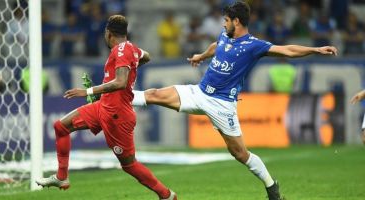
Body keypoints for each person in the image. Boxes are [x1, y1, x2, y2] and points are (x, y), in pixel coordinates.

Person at [132, 2, 337, 200]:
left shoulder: (254, 45)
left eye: (226, 20)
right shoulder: (225, 35)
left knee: (240, 154)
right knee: (154, 94)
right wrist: (201, 56)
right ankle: (112, 96)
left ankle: (271, 187)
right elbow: (216, 45)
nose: (223, 24)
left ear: (236, 21)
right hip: (200, 92)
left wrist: (316, 49)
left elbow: (287, 50)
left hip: (222, 105)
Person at [36, 15, 177, 200]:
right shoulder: (131, 49)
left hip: (117, 115)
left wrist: (88, 91)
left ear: (108, 33)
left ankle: (166, 195)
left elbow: (120, 82)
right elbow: (146, 57)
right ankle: (61, 177)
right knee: (61, 126)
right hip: (104, 106)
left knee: (129, 164)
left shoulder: (121, 51)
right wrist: (132, 67)